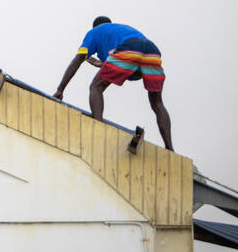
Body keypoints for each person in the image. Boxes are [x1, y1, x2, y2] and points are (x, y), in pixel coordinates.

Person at [53, 15, 173, 151]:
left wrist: (60, 89)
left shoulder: (94, 32)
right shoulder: (120, 29)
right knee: (157, 103)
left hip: (129, 48)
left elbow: (79, 58)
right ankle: (170, 148)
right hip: (152, 52)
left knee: (96, 87)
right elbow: (133, 58)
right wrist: (105, 64)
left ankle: (99, 127)